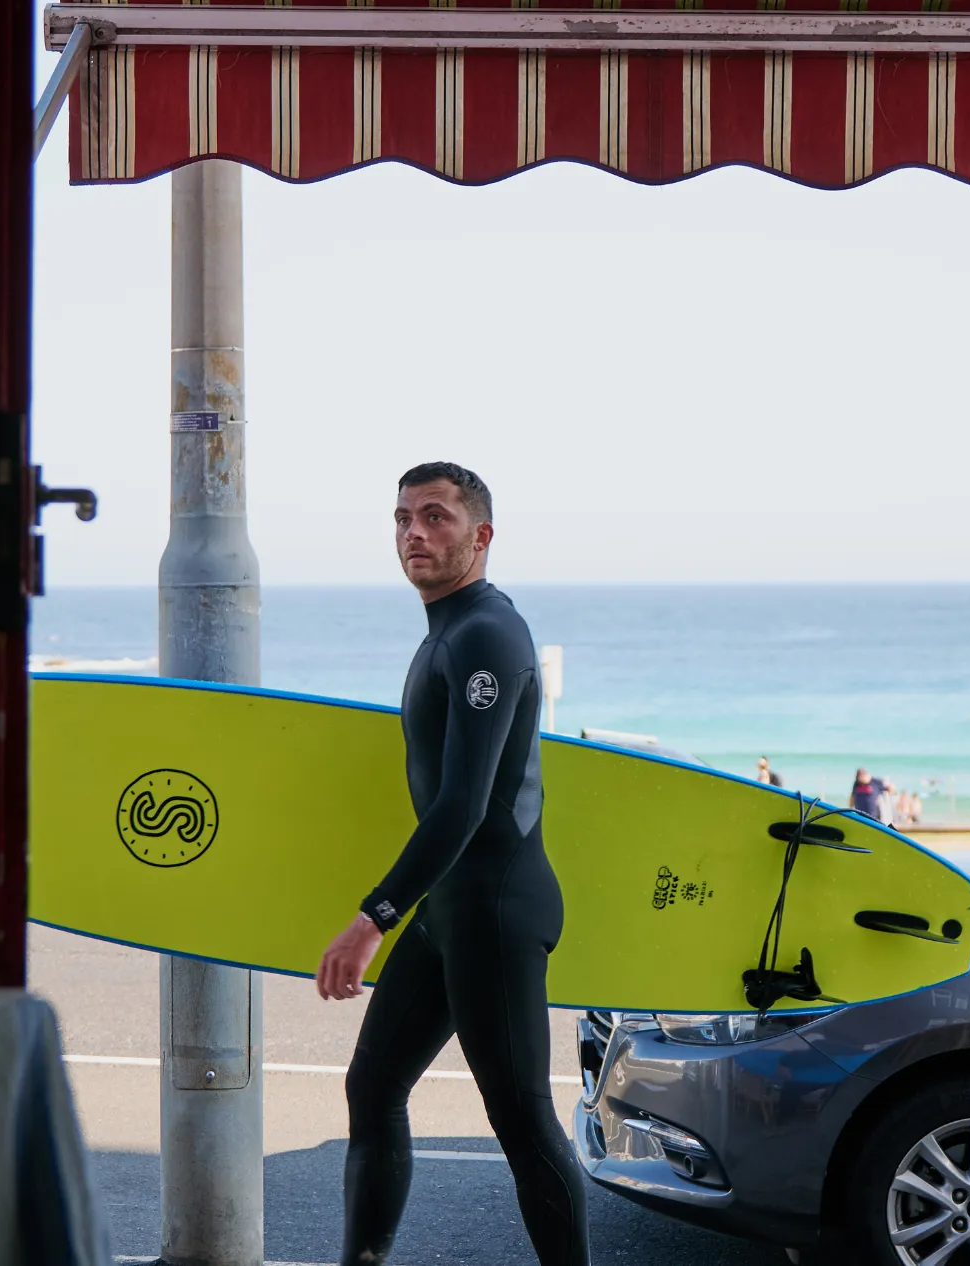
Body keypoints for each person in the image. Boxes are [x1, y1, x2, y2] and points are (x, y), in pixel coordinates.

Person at [314, 462, 587, 1266]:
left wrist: (373, 918)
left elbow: (464, 806)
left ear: (481, 535)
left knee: (524, 1125)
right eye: (402, 519)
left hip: (495, 911)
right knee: (372, 1089)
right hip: (449, 912)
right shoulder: (446, 630)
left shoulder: (486, 634)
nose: (413, 535)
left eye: (435, 518)